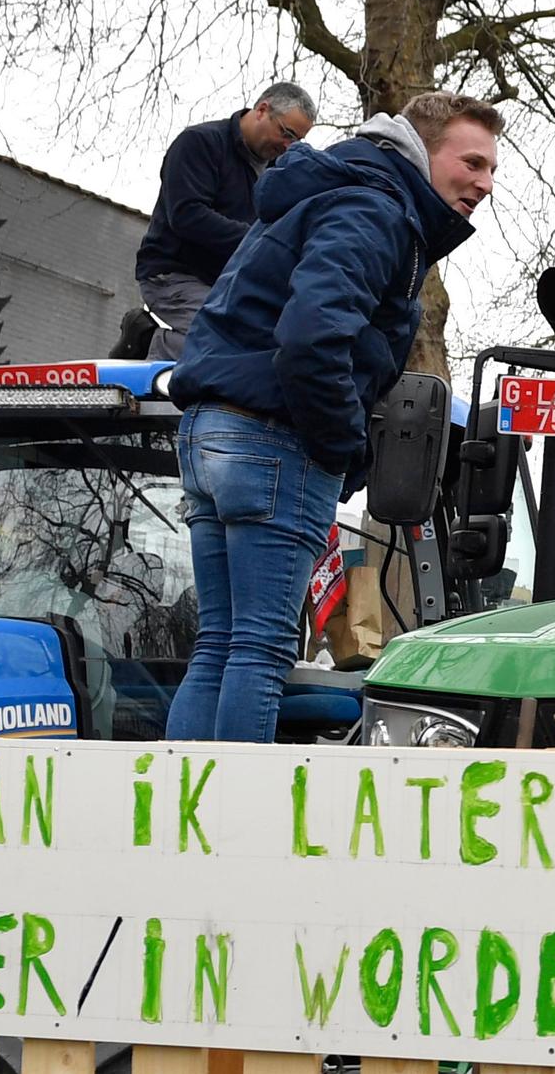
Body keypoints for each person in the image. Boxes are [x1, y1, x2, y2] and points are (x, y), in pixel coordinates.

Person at [166, 92, 493, 742]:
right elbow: (312, 341)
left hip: (211, 428)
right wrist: (344, 443)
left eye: (492, 172)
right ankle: (232, 832)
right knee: (260, 652)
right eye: (473, 163)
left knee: (220, 646)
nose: (484, 185)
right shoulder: (376, 210)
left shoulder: (336, 191)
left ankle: (179, 822)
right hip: (272, 438)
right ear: (423, 151)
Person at [137, 85, 317, 349]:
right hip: (172, 275)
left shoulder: (277, 172)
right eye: (285, 132)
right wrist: (261, 241)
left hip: (226, 283)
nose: (288, 145)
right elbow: (187, 215)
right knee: (218, 339)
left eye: (297, 140)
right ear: (262, 110)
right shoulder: (200, 143)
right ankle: (146, 347)